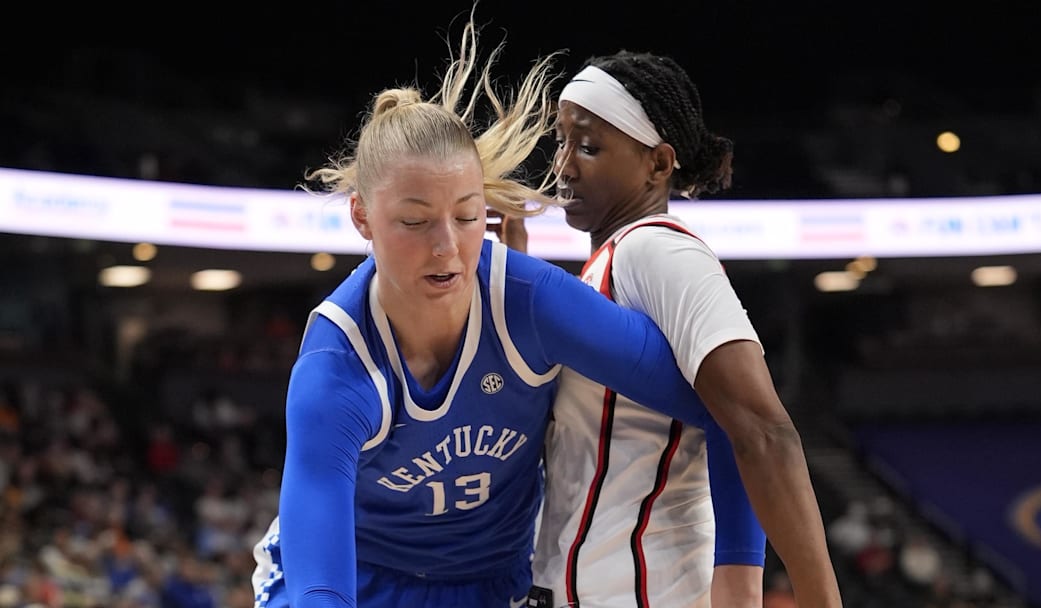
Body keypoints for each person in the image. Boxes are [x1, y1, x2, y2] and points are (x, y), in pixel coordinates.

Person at [249, 15, 755, 608]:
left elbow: (732, 411)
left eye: (467, 216)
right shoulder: (337, 368)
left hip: (499, 584)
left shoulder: (529, 302)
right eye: (415, 221)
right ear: (361, 216)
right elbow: (322, 590)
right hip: (362, 578)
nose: (446, 246)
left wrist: (738, 572)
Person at [528, 51, 844, 608]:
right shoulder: (611, 260)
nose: (565, 166)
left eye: (588, 146)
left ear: (658, 163)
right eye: (562, 142)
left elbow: (761, 429)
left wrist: (812, 598)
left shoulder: (658, 249)